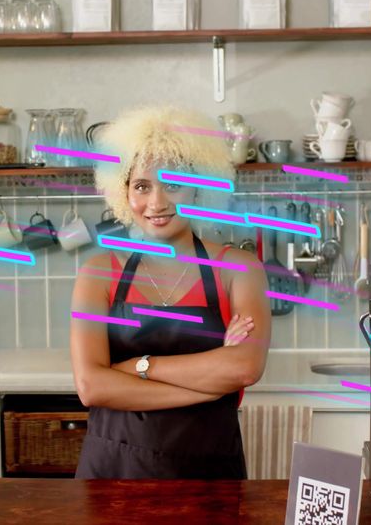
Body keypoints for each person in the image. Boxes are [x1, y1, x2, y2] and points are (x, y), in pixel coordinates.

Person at [70, 105, 271, 479]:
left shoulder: (239, 268)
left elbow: (244, 366)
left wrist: (138, 368)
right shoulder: (98, 272)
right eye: (142, 186)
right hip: (114, 472)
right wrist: (208, 390)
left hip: (209, 473)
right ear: (123, 191)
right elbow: (92, 386)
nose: (157, 202)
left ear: (199, 187)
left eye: (173, 183)